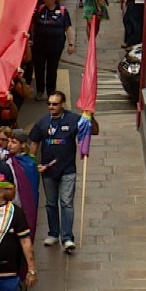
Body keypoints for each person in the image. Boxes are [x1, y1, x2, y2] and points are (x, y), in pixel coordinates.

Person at [30, 92, 94, 253]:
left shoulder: (73, 119)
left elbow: (92, 131)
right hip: (48, 171)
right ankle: (53, 233)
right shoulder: (43, 122)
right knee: (51, 203)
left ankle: (67, 237)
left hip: (67, 170)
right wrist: (34, 164)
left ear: (63, 104)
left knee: (66, 203)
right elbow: (34, 143)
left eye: (55, 104)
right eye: (49, 104)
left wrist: (91, 117)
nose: (51, 107)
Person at [30, 0, 74, 101]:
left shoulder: (63, 11)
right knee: (39, 68)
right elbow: (32, 24)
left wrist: (71, 43)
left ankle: (50, 92)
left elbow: (68, 28)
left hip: (55, 47)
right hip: (39, 46)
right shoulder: (40, 9)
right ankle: (40, 90)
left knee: (52, 69)